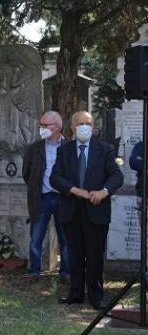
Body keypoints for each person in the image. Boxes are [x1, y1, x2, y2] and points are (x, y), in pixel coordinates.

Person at [50, 111, 123, 310]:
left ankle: (96, 296)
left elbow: (116, 176)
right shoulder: (64, 150)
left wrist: (104, 191)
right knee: (74, 254)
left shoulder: (105, 149)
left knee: (94, 255)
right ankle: (75, 294)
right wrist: (75, 191)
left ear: (93, 127)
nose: (84, 127)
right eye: (80, 123)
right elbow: (55, 178)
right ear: (72, 127)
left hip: (96, 210)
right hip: (71, 209)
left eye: (88, 123)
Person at [22, 111, 70, 283]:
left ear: (57, 127)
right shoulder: (34, 148)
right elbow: (26, 173)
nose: (41, 128)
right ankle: (34, 271)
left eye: (45, 125)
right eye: (40, 125)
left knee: (65, 237)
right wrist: (36, 188)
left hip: (64, 198)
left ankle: (66, 273)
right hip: (41, 198)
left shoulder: (69, 147)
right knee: (36, 237)